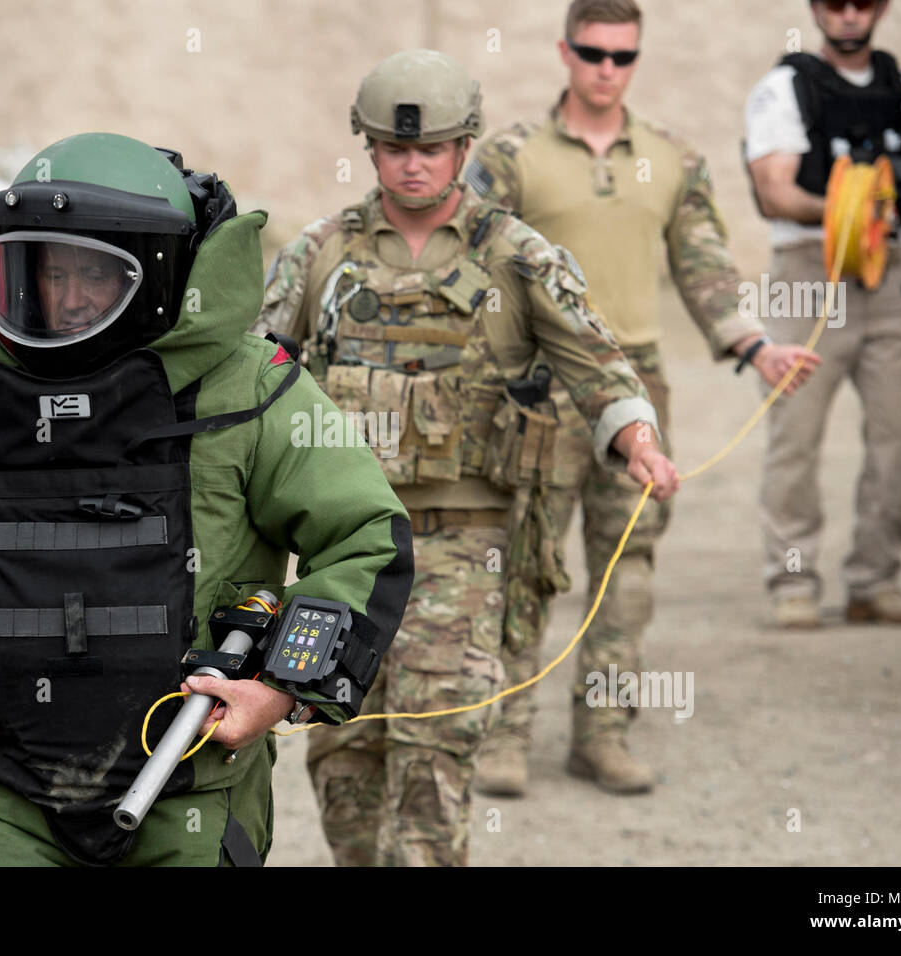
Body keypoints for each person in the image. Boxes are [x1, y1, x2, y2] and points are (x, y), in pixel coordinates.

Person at [0, 133, 414, 867]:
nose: (72, 295)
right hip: (6, 797)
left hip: (194, 790)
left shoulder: (252, 392)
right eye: (51, 272)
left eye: (97, 273)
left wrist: (282, 689)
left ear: (155, 276)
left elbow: (366, 538)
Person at [257, 49, 679, 866]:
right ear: (369, 147)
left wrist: (639, 442)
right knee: (343, 763)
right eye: (394, 147)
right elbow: (259, 380)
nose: (412, 164)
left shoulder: (519, 255)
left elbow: (599, 365)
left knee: (433, 756)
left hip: (461, 547)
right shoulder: (319, 254)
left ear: (464, 148)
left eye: (433, 148)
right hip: (345, 546)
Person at [465, 0, 823, 797]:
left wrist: (754, 346)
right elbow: (471, 267)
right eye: (591, 52)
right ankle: (504, 734)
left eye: (622, 56)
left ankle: (604, 731)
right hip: (537, 391)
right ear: (565, 51)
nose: (605, 68)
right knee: (527, 563)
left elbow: (703, 265)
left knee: (629, 567)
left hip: (640, 388)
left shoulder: (672, 156)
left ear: (636, 59)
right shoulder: (510, 155)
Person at [744, 0, 901, 627]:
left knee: (895, 439)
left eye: (862, 2)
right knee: (796, 437)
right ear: (817, 10)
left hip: (892, 276)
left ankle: (875, 581)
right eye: (835, 3)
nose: (849, 15)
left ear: (881, 9)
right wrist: (854, 202)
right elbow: (775, 187)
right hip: (810, 273)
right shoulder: (785, 87)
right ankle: (792, 583)